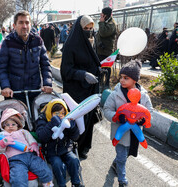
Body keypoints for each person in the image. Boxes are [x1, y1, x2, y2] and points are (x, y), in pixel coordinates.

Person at [103, 60, 153, 187]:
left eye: (126, 78)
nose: (122, 80)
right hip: (120, 134)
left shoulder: (144, 96)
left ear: (135, 80)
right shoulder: (116, 95)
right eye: (121, 77)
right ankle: (122, 180)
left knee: (127, 154)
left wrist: (141, 120)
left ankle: (116, 164)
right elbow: (107, 110)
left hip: (135, 134)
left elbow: (149, 111)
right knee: (121, 156)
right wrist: (117, 118)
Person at [60, 15, 101, 159]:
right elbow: (65, 71)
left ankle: (84, 147)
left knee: (88, 119)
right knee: (77, 119)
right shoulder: (71, 45)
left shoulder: (90, 42)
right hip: (75, 91)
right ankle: (71, 146)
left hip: (89, 89)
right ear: (79, 29)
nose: (89, 32)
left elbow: (93, 63)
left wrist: (100, 70)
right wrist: (83, 74)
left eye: (91, 29)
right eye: (86, 29)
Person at [0, 10, 53, 106]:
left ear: (30, 24)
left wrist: (47, 83)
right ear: (14, 26)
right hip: (14, 94)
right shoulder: (8, 42)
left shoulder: (38, 40)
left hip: (36, 92)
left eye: (27, 23)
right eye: (21, 22)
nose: (24, 26)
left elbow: (45, 65)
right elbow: (2, 68)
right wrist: (5, 87)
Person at [0, 108, 53, 187]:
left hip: (30, 155)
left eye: (13, 124)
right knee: (18, 176)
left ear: (18, 125)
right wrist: (3, 143)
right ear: (3, 125)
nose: (10, 126)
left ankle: (48, 183)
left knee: (43, 168)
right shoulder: (2, 135)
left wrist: (34, 145)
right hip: (15, 159)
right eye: (7, 124)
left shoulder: (23, 132)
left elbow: (31, 140)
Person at [36, 99, 83, 187]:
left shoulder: (68, 119)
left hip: (66, 149)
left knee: (74, 160)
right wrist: (51, 124)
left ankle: (76, 183)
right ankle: (62, 184)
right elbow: (41, 137)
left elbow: (75, 137)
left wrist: (72, 127)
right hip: (51, 152)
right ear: (51, 112)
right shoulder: (43, 120)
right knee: (58, 164)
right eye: (57, 113)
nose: (60, 116)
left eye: (62, 113)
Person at [96, 7, 117, 89]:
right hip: (100, 50)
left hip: (107, 51)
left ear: (106, 15)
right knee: (100, 68)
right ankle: (100, 83)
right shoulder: (105, 22)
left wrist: (101, 22)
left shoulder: (111, 24)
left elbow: (103, 33)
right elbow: (98, 35)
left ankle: (106, 85)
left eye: (102, 15)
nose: (101, 16)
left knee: (107, 68)